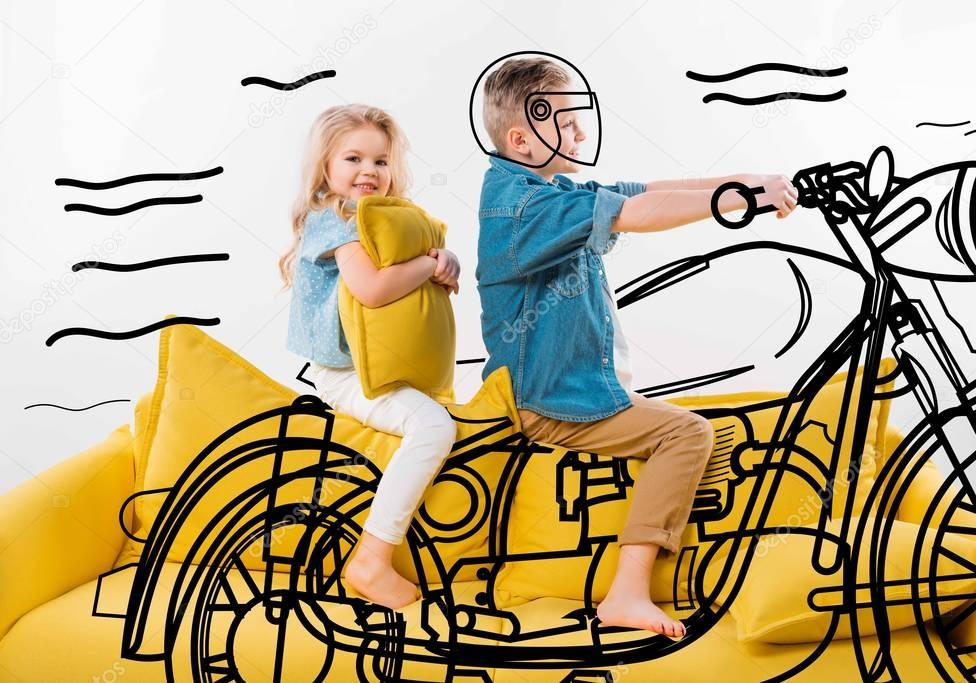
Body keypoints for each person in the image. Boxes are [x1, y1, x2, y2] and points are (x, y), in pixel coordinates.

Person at [474, 55, 799, 637]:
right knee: (687, 431)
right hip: (545, 400)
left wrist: (754, 183)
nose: (580, 134)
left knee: (687, 420)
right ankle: (627, 591)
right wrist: (737, 199)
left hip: (562, 390)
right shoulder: (523, 207)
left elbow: (650, 188)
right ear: (521, 139)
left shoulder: (549, 190)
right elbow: (637, 211)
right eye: (567, 124)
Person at [280, 104, 460, 609]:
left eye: (380, 161)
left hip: (381, 362)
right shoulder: (334, 218)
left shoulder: (388, 219)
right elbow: (374, 289)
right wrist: (428, 267)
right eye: (353, 158)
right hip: (343, 373)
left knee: (447, 417)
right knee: (434, 428)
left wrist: (446, 260)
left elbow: (423, 261)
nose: (368, 171)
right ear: (325, 167)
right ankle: (372, 558)